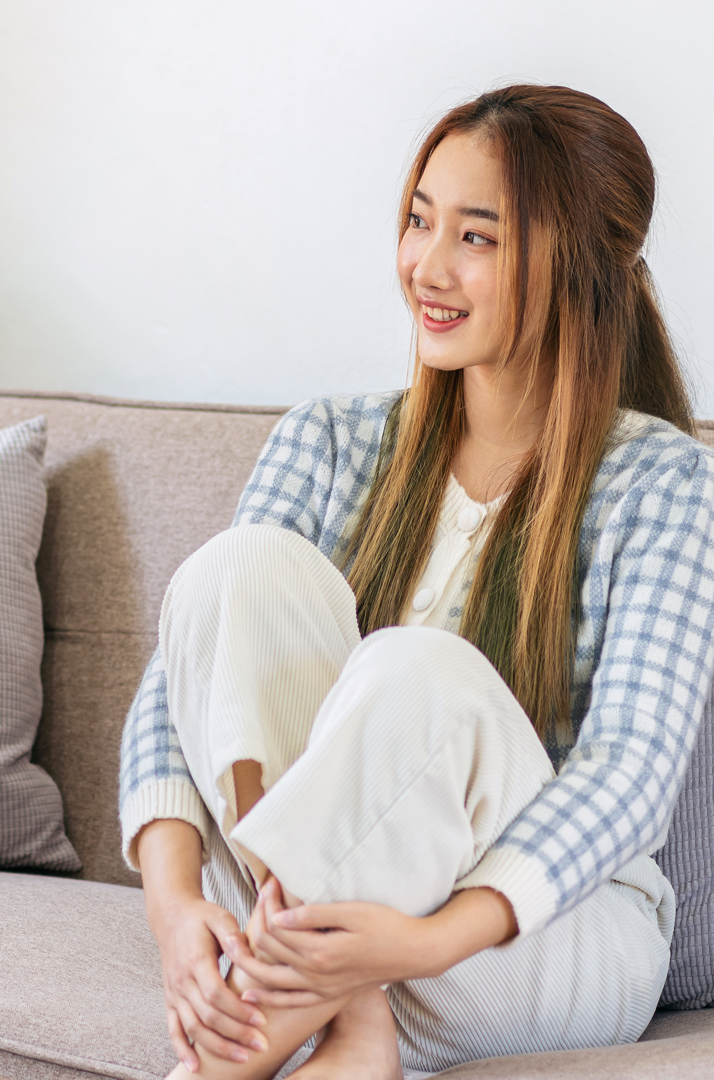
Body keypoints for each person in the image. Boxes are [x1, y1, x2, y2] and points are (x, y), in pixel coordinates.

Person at [118, 84, 714, 1080]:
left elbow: (632, 775)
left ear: (571, 268)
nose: (425, 267)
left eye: (476, 237)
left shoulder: (667, 486)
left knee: (416, 672)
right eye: (418, 221)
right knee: (236, 572)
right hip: (325, 925)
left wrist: (421, 946)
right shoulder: (331, 440)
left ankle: (252, 1043)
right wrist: (178, 915)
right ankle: (349, 1028)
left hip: (536, 939)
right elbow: (182, 686)